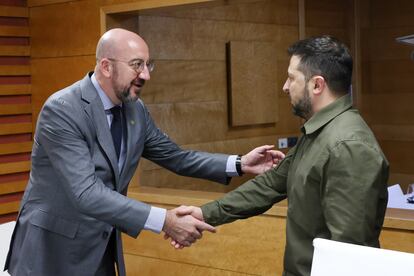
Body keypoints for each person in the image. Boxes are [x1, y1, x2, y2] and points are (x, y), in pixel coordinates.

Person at [4, 28, 285, 276]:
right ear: (106, 66)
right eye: (137, 65)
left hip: (100, 251)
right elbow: (86, 193)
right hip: (51, 254)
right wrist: (165, 221)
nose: (146, 75)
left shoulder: (134, 109)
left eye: (148, 64)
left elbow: (175, 156)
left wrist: (238, 164)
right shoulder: (63, 110)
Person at [171, 36, 389, 276]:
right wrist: (204, 214)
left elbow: (349, 252)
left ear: (317, 85)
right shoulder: (319, 133)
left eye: (292, 78)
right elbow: (269, 185)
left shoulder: (348, 146)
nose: (285, 87)